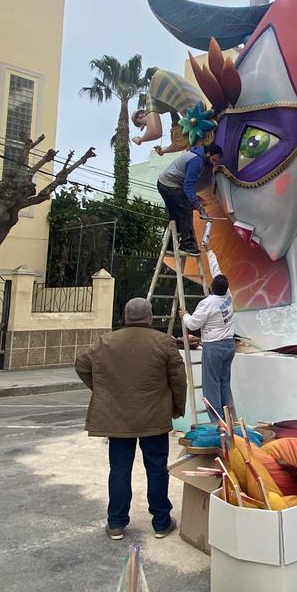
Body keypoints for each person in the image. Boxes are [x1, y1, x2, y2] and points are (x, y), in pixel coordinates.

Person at [74, 297, 187, 541]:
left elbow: (81, 364)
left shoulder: (106, 341)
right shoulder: (164, 342)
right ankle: (161, 522)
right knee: (157, 469)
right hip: (154, 417)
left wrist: (103, 391)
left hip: (118, 418)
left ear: (125, 316)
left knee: (119, 469)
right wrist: (177, 408)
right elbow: (179, 380)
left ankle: (116, 523)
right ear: (150, 317)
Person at [183, 274, 235, 423]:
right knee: (224, 383)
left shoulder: (207, 303)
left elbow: (193, 324)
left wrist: (185, 315)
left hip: (214, 347)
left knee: (211, 386)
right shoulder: (228, 297)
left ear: (211, 287)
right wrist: (211, 258)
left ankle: (217, 422)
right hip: (229, 345)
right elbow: (217, 271)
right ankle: (228, 418)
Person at [156, 143, 223, 255]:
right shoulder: (197, 161)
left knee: (176, 216)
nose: (213, 163)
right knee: (185, 211)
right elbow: (188, 186)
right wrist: (197, 205)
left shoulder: (196, 154)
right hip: (170, 185)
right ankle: (187, 245)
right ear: (208, 154)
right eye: (213, 159)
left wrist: (196, 201)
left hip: (164, 183)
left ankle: (170, 246)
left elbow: (188, 186)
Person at [132, 68, 210, 156]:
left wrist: (140, 139)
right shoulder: (170, 99)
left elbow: (155, 132)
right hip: (205, 121)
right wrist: (163, 150)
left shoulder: (151, 93)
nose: (147, 126)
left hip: (200, 132)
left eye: (143, 124)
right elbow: (182, 141)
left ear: (139, 116)